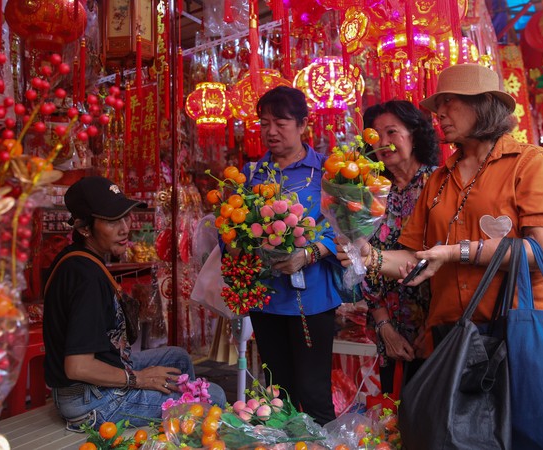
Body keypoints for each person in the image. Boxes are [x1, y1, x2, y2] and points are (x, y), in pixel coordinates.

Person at [337, 64, 543, 357]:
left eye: (450, 101)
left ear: (483, 104)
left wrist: (454, 253)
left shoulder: (529, 162)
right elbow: (415, 257)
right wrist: (370, 256)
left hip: (523, 328)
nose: (440, 113)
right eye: (438, 105)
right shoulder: (439, 179)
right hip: (453, 335)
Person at [43, 176, 226, 430]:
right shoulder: (85, 278)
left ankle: (181, 434)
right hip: (92, 402)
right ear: (84, 228)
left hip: (95, 383)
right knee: (213, 398)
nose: (125, 228)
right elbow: (78, 367)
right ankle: (189, 425)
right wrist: (138, 378)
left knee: (178, 359)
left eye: (126, 217)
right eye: (112, 221)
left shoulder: (79, 258)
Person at [235, 85, 341, 425]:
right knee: (277, 395)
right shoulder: (252, 176)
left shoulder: (328, 172)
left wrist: (309, 253)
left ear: (303, 124)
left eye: (280, 122)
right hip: (266, 301)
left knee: (313, 394)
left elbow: (351, 230)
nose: (270, 131)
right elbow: (234, 234)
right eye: (264, 123)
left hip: (313, 301)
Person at [360, 100, 439, 391]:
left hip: (436, 324)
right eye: (375, 135)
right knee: (393, 413)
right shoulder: (371, 191)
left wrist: (433, 326)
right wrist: (384, 326)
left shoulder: (440, 183)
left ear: (414, 135)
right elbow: (362, 261)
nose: (382, 142)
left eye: (391, 132)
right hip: (389, 325)